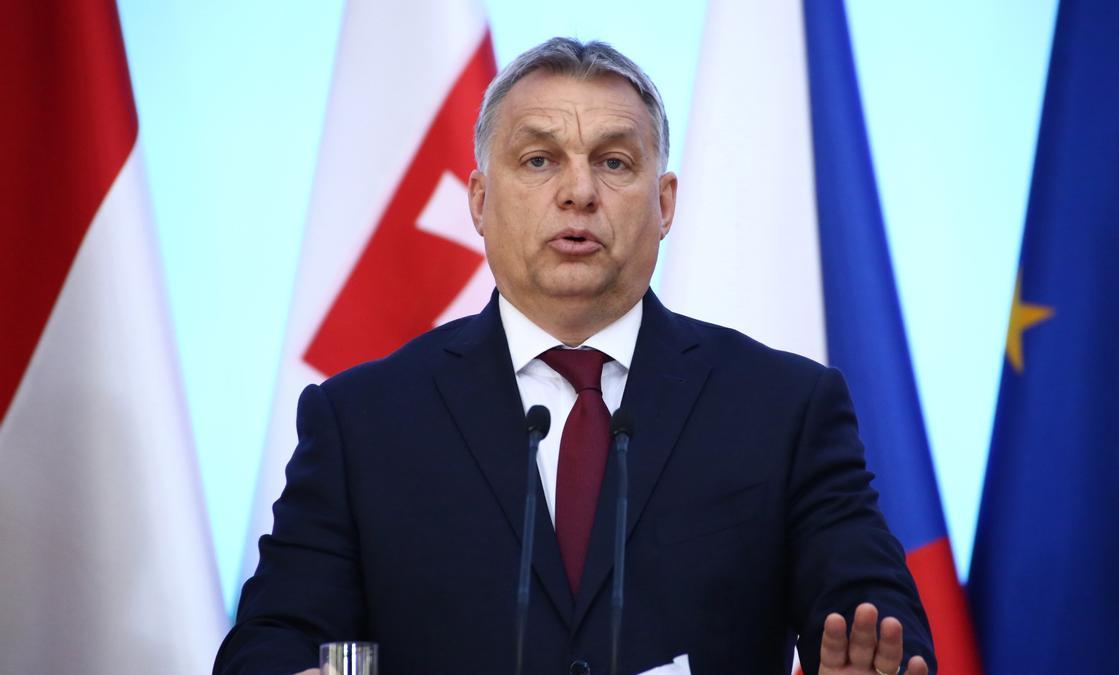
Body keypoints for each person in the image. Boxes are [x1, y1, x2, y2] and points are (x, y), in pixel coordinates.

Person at [215, 38, 936, 675]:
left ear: (664, 204)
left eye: (614, 162)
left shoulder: (782, 408)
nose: (579, 192)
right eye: (539, 160)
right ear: (478, 201)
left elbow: (876, 618)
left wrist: (876, 660)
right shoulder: (363, 420)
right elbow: (271, 640)